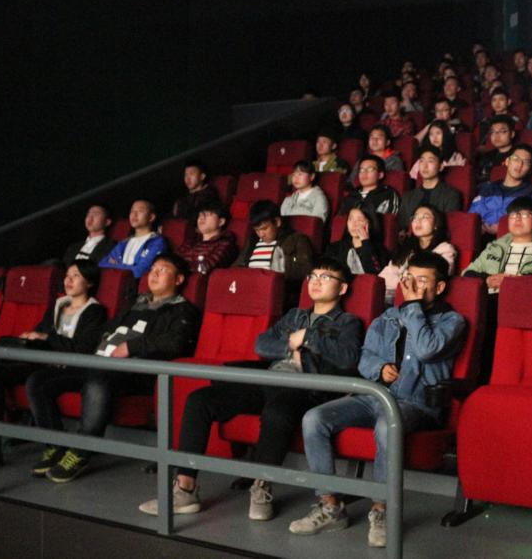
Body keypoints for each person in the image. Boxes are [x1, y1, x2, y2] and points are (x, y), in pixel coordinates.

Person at [137, 256, 363, 519]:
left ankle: (261, 487)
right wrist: (291, 346)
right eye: (313, 276)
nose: (316, 282)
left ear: (342, 288)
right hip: (268, 379)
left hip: (305, 387)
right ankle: (185, 489)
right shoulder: (295, 315)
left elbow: (347, 358)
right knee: (200, 400)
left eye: (325, 277)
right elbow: (261, 345)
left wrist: (308, 337)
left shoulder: (348, 322)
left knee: (277, 412)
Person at [289, 252, 466, 548]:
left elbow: (427, 349)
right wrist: (379, 369)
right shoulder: (387, 317)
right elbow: (364, 358)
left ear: (440, 287)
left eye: (422, 281)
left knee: (387, 425)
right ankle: (330, 505)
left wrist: (412, 306)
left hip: (417, 404)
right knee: (314, 418)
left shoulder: (452, 321)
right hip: (376, 395)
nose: (413, 286)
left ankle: (382, 509)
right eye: (409, 278)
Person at [26, 253, 200, 482]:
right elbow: (105, 331)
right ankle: (56, 446)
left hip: (136, 371)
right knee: (39, 380)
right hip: (99, 362)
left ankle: (80, 452)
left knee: (96, 381)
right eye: (152, 269)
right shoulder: (137, 302)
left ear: (178, 279)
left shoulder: (182, 310)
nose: (154, 274)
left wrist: (132, 346)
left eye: (163, 270)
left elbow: (175, 343)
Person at [0, 261, 107, 471]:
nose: (68, 280)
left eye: (75, 276)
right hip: (38, 360)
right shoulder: (59, 305)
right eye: (67, 275)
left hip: (65, 367)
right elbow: (41, 332)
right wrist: (30, 337)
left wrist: (46, 338)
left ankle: (0, 448)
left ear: (90, 282)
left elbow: (81, 348)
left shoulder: (94, 311)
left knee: (32, 380)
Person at [462, 196, 532, 293]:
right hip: (491, 299)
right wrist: (487, 280)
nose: (517, 218)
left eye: (524, 215)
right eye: (513, 215)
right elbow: (467, 273)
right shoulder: (495, 247)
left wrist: (518, 281)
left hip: (527, 298)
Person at [234, 200, 314, 295]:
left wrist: (283, 269)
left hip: (277, 293)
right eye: (257, 230)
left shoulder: (297, 239)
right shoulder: (252, 241)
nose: (261, 234)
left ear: (277, 222)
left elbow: (308, 270)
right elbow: (237, 266)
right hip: (249, 290)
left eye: (264, 228)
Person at [380, 205, 457, 303]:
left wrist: (400, 279)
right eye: (415, 217)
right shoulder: (408, 247)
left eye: (425, 217)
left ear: (436, 225)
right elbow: (386, 274)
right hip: (390, 295)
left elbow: (426, 282)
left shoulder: (445, 249)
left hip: (420, 299)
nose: (418, 221)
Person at [469, 143, 532, 235]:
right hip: (478, 235)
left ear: (530, 170)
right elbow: (473, 214)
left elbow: (525, 222)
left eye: (526, 162)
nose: (520, 165)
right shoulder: (488, 188)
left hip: (509, 239)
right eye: (516, 159)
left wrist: (502, 228)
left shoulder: (530, 192)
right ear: (507, 161)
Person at [99, 200, 168, 279]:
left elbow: (140, 271)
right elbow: (102, 264)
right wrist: (131, 267)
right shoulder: (124, 242)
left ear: (151, 217)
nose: (134, 214)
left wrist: (116, 265)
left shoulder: (157, 242)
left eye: (140, 211)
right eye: (132, 211)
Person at [398, 147, 461, 229]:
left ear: (441, 166)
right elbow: (402, 228)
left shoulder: (451, 195)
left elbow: (449, 228)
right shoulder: (407, 197)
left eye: (430, 161)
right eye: (422, 161)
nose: (425, 166)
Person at [175, 200, 238, 275]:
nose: (201, 218)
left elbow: (205, 267)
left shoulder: (225, 244)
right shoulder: (191, 241)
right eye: (200, 215)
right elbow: (172, 259)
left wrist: (177, 267)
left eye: (207, 214)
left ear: (221, 222)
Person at [324, 206, 391, 276]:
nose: (354, 224)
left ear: (369, 223)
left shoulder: (379, 250)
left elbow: (373, 274)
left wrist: (365, 242)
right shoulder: (335, 248)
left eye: (360, 220)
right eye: (350, 219)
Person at [280, 160, 331, 224]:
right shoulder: (290, 197)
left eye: (300, 174)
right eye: (294, 175)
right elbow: (282, 216)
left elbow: (317, 223)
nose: (296, 178)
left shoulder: (319, 197)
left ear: (312, 176)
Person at [171, 160, 219, 225]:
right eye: (186, 175)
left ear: (202, 176)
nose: (187, 178)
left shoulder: (209, 194)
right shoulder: (182, 196)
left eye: (191, 174)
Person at [474, 115, 516, 185]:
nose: (496, 136)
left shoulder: (518, 156)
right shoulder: (486, 156)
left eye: (502, 131)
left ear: (512, 134)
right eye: (493, 132)